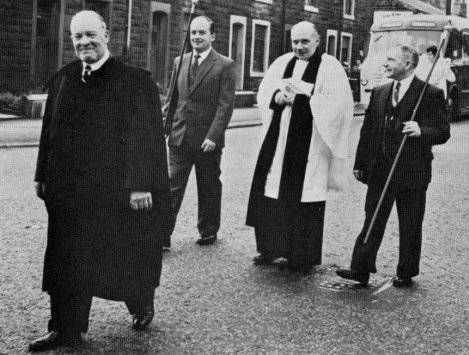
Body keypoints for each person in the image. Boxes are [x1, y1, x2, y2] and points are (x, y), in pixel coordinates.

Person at [30, 10, 171, 351]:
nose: (84, 43)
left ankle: (140, 300)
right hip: (69, 190)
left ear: (106, 34)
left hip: (116, 190)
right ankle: (65, 328)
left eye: (90, 35)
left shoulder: (134, 80)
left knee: (122, 255)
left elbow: (146, 136)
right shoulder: (64, 78)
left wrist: (140, 183)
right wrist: (41, 175)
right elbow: (50, 131)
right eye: (78, 37)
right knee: (66, 258)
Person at [336, 45, 450, 287]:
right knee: (372, 219)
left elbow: (443, 132)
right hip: (380, 170)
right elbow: (367, 132)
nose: (385, 64)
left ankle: (406, 271)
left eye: (390, 59)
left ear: (407, 64)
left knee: (410, 223)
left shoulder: (430, 94)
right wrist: (360, 163)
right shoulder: (379, 92)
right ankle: (360, 268)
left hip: (413, 171)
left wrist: (422, 130)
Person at [246, 21, 353, 270]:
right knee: (271, 190)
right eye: (295, 41)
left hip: (310, 146)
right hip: (279, 142)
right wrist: (277, 97)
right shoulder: (282, 62)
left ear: (317, 41)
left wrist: (303, 100)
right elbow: (264, 93)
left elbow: (338, 106)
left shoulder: (330, 67)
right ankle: (269, 249)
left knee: (305, 195)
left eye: (305, 41)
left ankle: (301, 255)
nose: (299, 46)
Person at [163, 16, 236, 248]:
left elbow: (225, 106)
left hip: (207, 142)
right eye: (193, 32)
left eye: (202, 33)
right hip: (179, 137)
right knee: (171, 187)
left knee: (208, 186)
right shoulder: (179, 61)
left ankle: (208, 231)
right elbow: (172, 99)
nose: (196, 37)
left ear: (212, 36)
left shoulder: (224, 64)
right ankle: (161, 234)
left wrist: (213, 137)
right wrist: (164, 127)